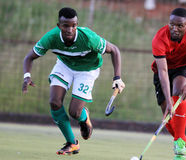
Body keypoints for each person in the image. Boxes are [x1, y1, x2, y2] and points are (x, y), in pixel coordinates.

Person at [22, 7, 125, 155]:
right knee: (54, 102)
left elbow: (114, 50)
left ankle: (83, 117)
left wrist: (117, 78)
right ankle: (72, 143)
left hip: (87, 70)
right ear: (59, 26)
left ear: (77, 24)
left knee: (74, 112)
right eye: (65, 26)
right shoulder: (51, 38)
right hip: (64, 66)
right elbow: (29, 57)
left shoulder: (88, 38)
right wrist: (26, 76)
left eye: (73, 25)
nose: (70, 29)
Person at [151, 8, 186, 160]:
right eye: (172, 24)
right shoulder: (159, 38)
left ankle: (179, 148)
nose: (174, 28)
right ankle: (183, 142)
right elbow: (162, 71)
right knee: (167, 115)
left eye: (180, 26)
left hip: (185, 66)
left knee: (179, 89)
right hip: (163, 71)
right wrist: (168, 101)